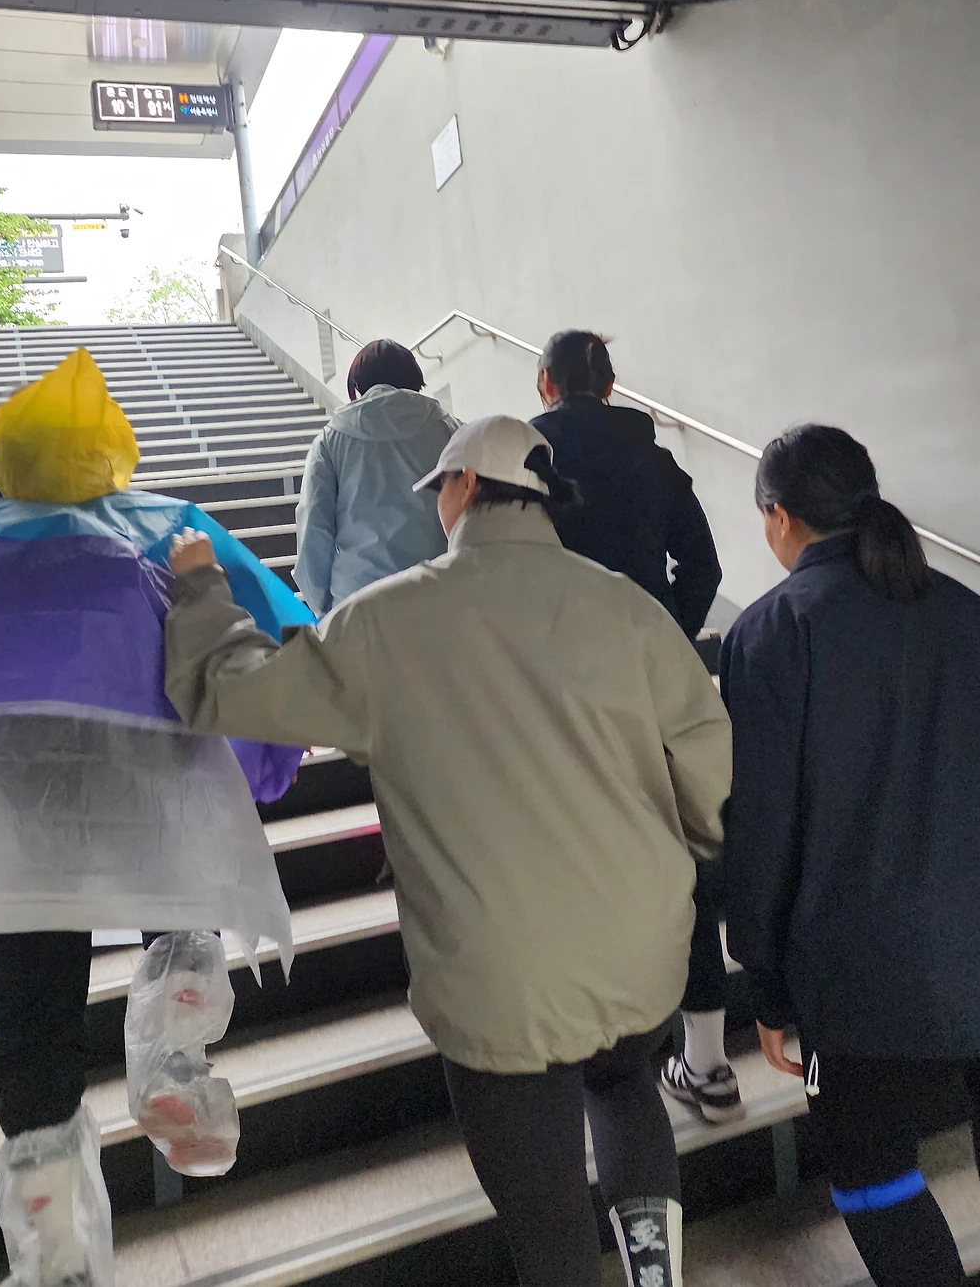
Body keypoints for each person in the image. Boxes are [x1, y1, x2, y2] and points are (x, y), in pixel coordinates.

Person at [165, 414, 732, 1287]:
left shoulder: (387, 620)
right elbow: (708, 769)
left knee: (547, 1220)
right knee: (624, 1086)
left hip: (499, 977)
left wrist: (202, 589)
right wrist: (681, 858)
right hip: (640, 946)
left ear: (462, 488)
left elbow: (233, 694)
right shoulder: (629, 608)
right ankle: (656, 1275)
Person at [0, 349, 307, 1287]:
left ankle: (55, 1248)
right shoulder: (157, 554)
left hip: (16, 837)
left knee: (35, 1023)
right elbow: (239, 653)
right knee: (180, 913)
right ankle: (172, 1062)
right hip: (147, 808)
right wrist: (268, 757)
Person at [722, 423, 980, 1287]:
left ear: (778, 517)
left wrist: (767, 984)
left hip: (859, 982)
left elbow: (761, 829)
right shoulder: (973, 613)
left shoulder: (774, 630)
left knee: (871, 1175)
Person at [532, 331, 735, 1125]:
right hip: (653, 688)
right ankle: (709, 1064)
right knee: (679, 853)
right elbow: (705, 567)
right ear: (610, 385)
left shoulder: (528, 456)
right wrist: (669, 636)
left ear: (545, 383)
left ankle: (605, 1050)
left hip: (560, 690)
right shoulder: (655, 460)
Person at [293, 338, 459, 616]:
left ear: (357, 386)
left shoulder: (330, 440)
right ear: (415, 380)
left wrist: (324, 609)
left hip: (357, 602)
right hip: (437, 598)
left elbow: (314, 527)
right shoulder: (452, 431)